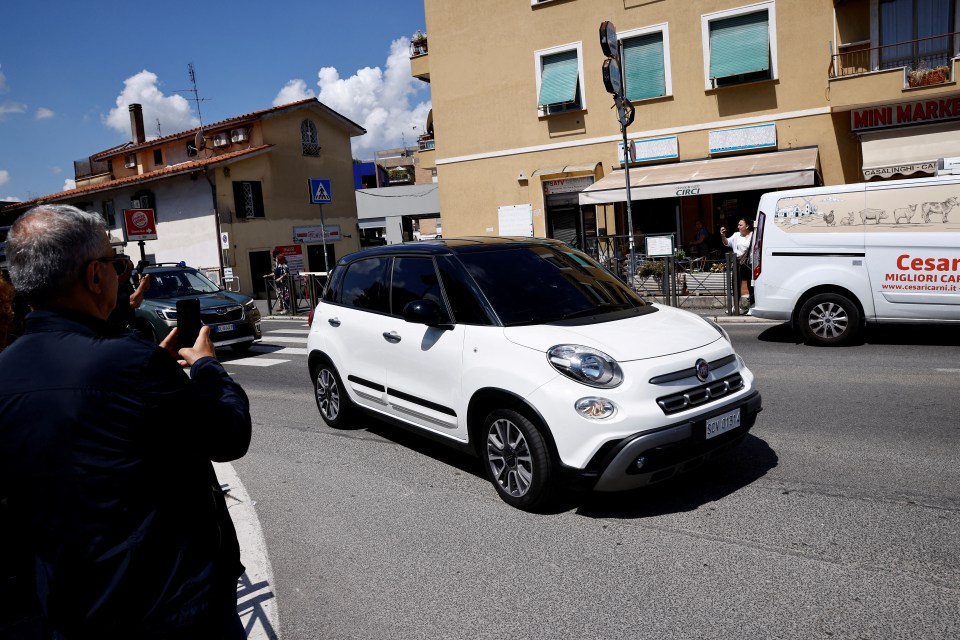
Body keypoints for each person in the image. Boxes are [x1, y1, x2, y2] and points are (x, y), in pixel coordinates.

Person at [0, 205, 251, 639]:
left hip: (67, 607)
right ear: (95, 277)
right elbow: (228, 434)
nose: (124, 275)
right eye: (118, 264)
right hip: (171, 608)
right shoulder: (131, 364)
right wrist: (208, 368)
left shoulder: (5, 370)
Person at [106, 256, 152, 332]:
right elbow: (132, 302)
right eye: (128, 270)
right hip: (116, 327)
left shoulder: (126, 285)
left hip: (127, 326)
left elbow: (137, 304)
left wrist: (142, 288)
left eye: (130, 270)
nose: (129, 274)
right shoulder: (113, 286)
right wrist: (142, 286)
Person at [720, 218, 755, 310]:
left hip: (749, 263)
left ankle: (752, 306)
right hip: (737, 263)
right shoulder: (736, 235)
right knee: (735, 285)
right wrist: (723, 235)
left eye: (740, 225)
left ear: (747, 226)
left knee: (750, 285)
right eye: (738, 225)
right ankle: (735, 306)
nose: (738, 226)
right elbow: (727, 243)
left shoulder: (753, 236)